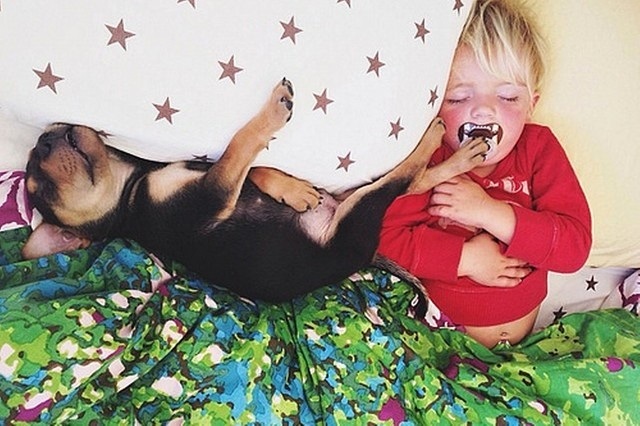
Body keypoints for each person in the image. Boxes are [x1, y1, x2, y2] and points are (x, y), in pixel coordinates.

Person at [378, 0, 591, 348]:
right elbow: (386, 241)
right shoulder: (429, 159)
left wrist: (490, 213)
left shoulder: (538, 149)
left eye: (508, 97)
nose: (483, 111)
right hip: (437, 344)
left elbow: (574, 247)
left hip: (524, 349)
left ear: (531, 105)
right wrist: (465, 259)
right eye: (458, 98)